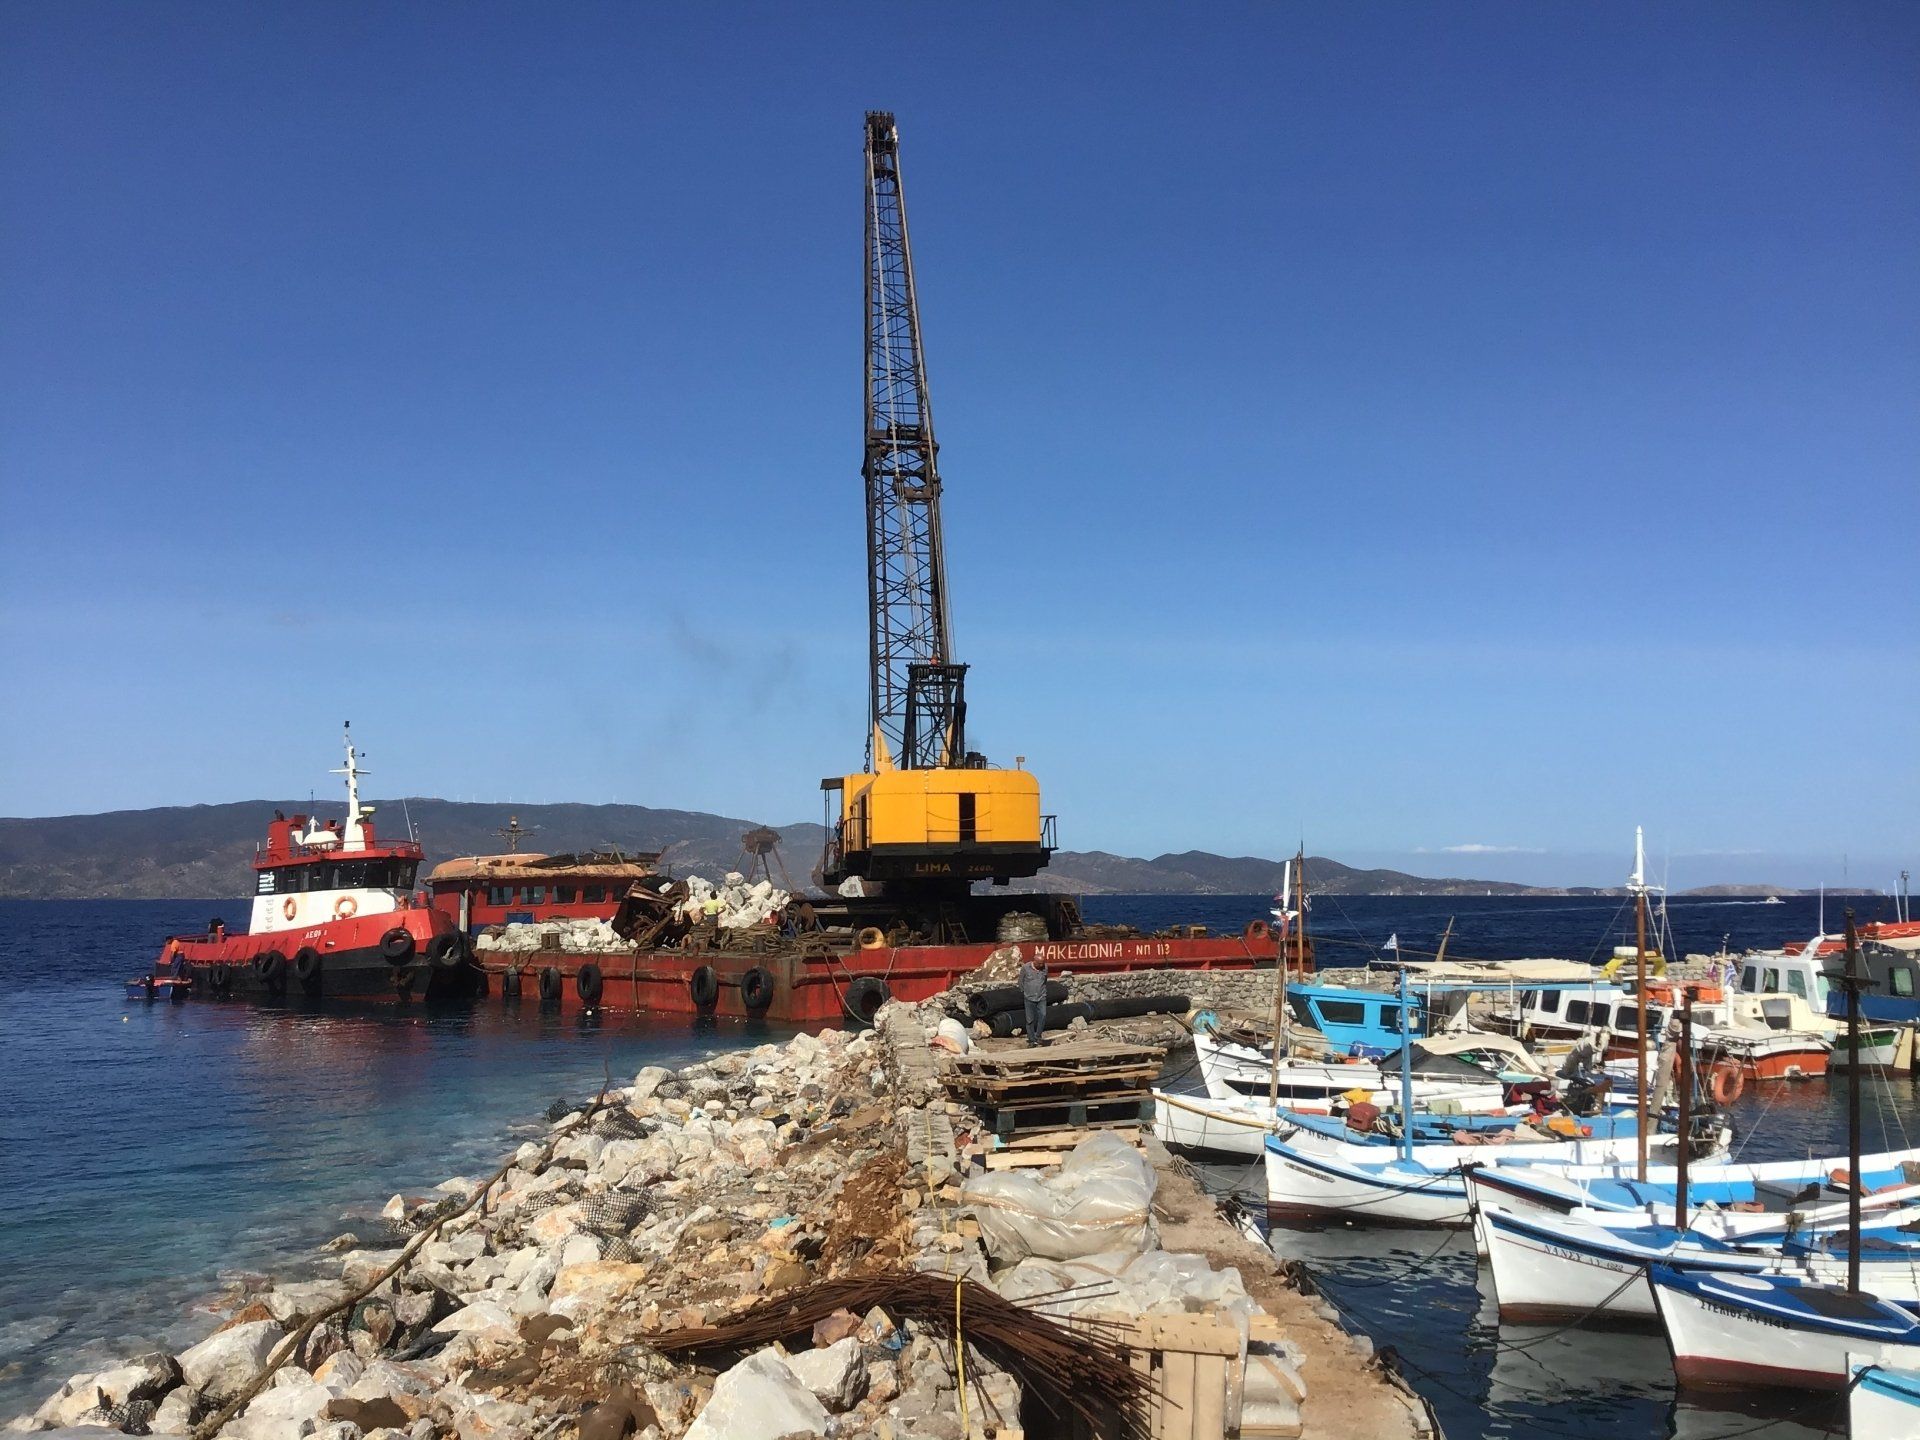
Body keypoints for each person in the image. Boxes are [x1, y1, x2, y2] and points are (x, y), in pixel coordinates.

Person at [1017, 947, 1049, 1048]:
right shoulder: (1025, 968)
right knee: (1029, 1020)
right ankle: (1031, 1040)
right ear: (1034, 961)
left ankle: (1038, 1036)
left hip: (1041, 997)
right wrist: (1025, 992)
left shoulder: (1045, 968)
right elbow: (1020, 981)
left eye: (1042, 963)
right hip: (1029, 998)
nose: (1041, 965)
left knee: (1043, 1016)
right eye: (1039, 963)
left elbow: (1045, 980)